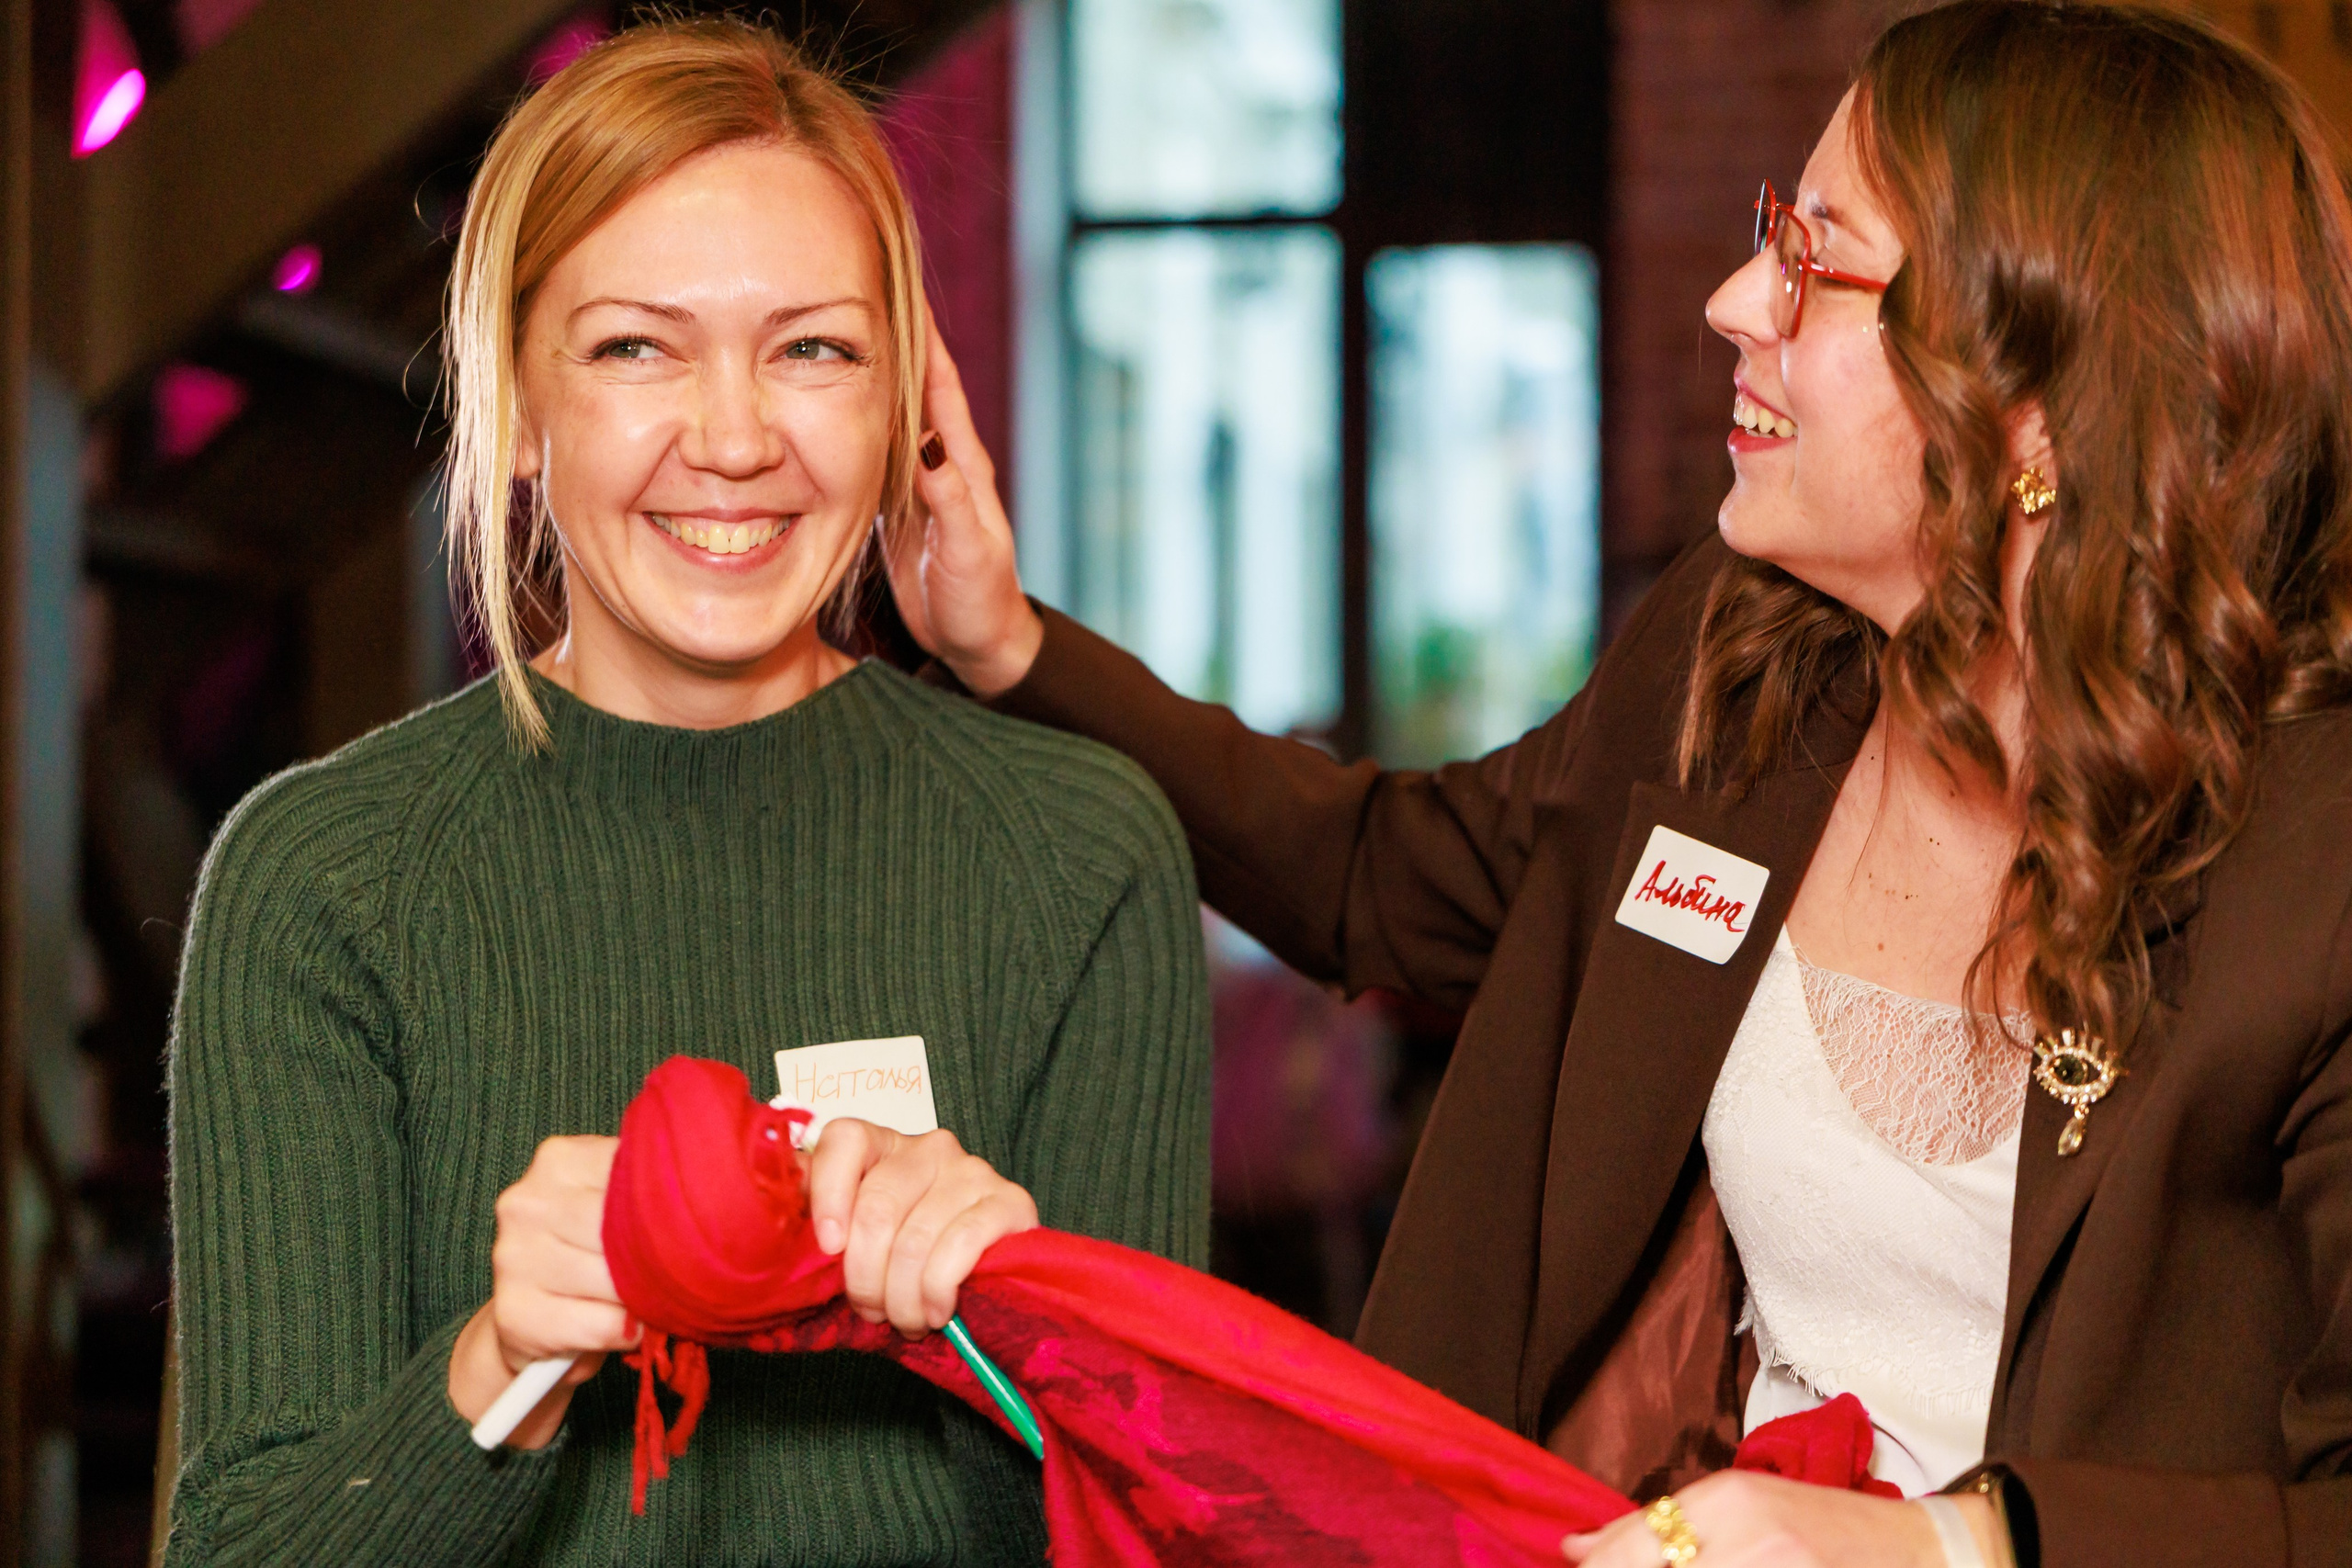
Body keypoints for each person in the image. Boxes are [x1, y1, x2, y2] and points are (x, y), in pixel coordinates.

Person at [890, 4, 2352, 1564]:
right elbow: (1385, 876)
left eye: (1817, 262)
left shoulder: (2315, 873)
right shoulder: (1738, 677)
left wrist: (1954, 1548)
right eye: (1761, 240)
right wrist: (1009, 644)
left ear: (2039, 405)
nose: (1735, 304)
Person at [164, 20, 1210, 1566]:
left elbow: (1171, 1530)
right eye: (636, 347)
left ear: (902, 408)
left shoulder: (1079, 854)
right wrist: (498, 1367)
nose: (734, 440)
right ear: (518, 405)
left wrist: (1020, 1332)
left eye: (815, 349)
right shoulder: (326, 880)